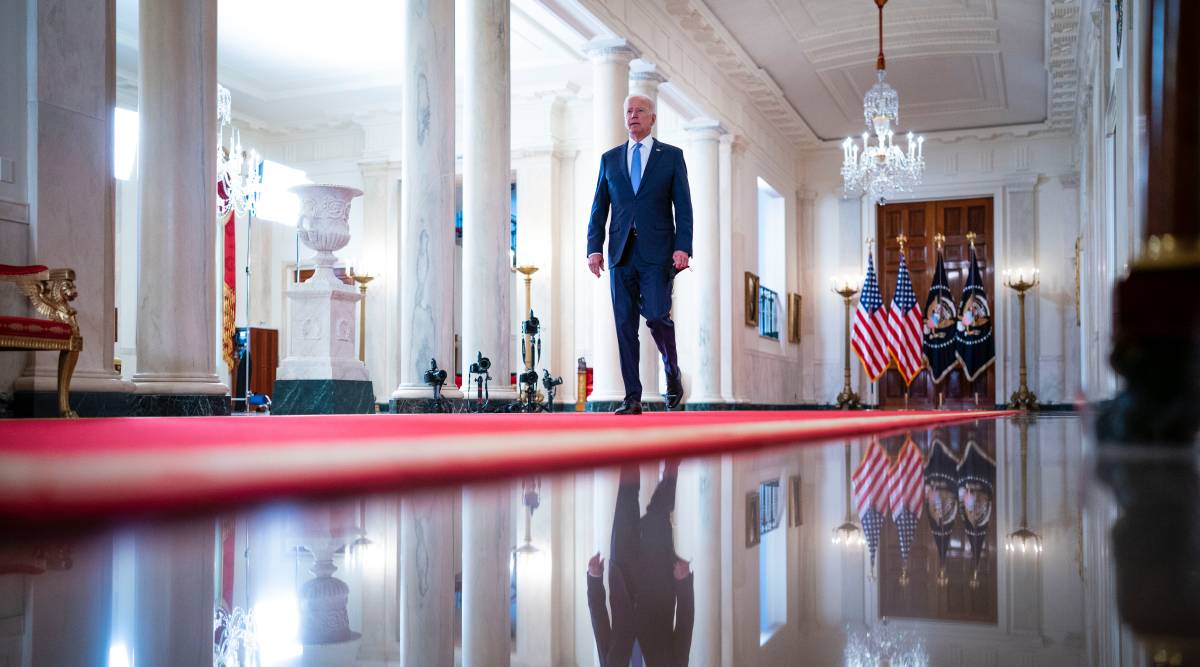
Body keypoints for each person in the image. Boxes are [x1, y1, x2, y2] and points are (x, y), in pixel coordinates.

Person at [586, 94, 693, 415]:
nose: (633, 115)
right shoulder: (610, 159)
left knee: (658, 314)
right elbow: (599, 207)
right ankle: (632, 397)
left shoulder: (671, 157)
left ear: (652, 119)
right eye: (628, 111)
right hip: (620, 254)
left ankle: (671, 369)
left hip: (658, 253)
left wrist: (683, 247)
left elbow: (683, 207)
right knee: (624, 325)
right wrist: (593, 247)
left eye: (640, 111)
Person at [587, 461, 694, 667]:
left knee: (625, 500)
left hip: (622, 576)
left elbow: (599, 622)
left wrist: (594, 578)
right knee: (657, 514)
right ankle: (672, 466)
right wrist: (683, 583)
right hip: (658, 580)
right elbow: (684, 625)